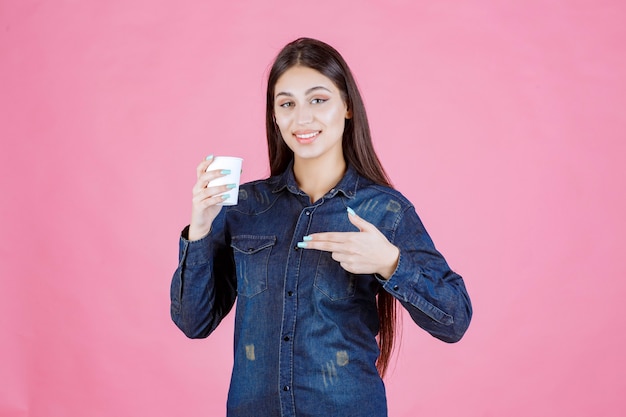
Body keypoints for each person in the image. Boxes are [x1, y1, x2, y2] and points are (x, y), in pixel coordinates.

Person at [170, 37, 472, 417]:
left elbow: (455, 319)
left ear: (346, 106)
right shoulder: (244, 207)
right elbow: (192, 322)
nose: (302, 119)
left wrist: (391, 264)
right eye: (287, 104)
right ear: (274, 116)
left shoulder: (383, 210)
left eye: (318, 99)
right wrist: (199, 228)